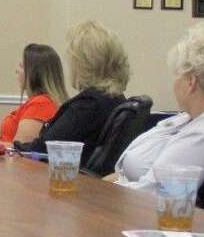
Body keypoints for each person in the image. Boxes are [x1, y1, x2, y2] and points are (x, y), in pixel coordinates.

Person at [109, 23, 204, 192]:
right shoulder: (191, 120)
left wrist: (104, 187)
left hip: (138, 204)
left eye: (177, 75)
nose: (174, 83)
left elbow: (151, 193)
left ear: (191, 82)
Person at [18, 21, 130, 167]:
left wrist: (13, 148)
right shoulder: (117, 99)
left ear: (83, 63)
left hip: (63, 176)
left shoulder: (87, 106)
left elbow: (44, 149)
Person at [0, 43, 67, 142]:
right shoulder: (39, 102)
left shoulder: (41, 104)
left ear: (35, 73)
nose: (17, 71)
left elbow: (21, 147)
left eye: (21, 66)